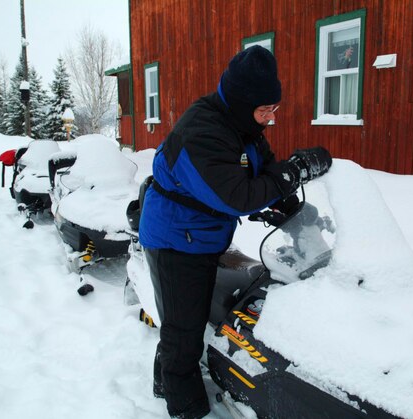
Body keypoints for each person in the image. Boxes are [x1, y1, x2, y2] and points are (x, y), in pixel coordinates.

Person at [138, 45, 332, 419]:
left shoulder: (244, 126)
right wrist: (293, 172)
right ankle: (183, 404)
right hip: (175, 239)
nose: (270, 119)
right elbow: (237, 195)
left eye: (274, 109)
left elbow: (264, 172)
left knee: (186, 312)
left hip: (203, 233)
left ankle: (166, 379)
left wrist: (290, 205)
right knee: (184, 330)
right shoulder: (202, 131)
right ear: (243, 104)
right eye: (265, 111)